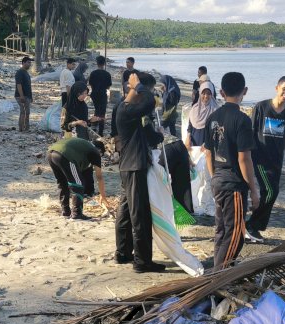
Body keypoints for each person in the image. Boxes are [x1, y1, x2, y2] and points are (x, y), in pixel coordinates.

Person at [204, 72, 258, 271]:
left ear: (221, 92)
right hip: (233, 183)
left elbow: (208, 153)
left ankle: (220, 273)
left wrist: (213, 177)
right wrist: (253, 189)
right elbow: (244, 159)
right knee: (235, 233)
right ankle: (220, 277)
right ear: (244, 91)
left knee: (222, 230)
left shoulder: (213, 117)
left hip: (218, 179)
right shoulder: (242, 120)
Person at [112, 71, 165, 273]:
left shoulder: (129, 110)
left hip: (130, 164)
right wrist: (138, 86)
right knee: (139, 215)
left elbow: (145, 135)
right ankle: (142, 262)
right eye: (146, 91)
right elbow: (150, 101)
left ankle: (123, 252)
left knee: (125, 210)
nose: (148, 94)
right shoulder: (125, 109)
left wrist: (157, 137)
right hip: (134, 166)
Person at [246, 76, 285, 242]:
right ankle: (252, 226)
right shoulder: (261, 107)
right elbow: (251, 133)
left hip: (277, 160)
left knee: (270, 193)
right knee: (271, 191)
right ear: (277, 88)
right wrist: (247, 157)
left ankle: (254, 226)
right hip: (260, 158)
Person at [47, 137, 108, 220]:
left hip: (51, 153)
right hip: (65, 155)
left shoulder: (83, 146)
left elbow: (84, 171)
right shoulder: (95, 152)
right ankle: (77, 214)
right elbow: (99, 177)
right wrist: (103, 196)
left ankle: (66, 211)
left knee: (63, 183)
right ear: (99, 151)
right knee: (78, 184)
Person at [162, 136, 193, 213]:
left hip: (163, 147)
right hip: (179, 145)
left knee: (156, 180)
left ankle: (164, 212)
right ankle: (184, 212)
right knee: (183, 183)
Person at [185, 80, 218, 148]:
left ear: (212, 94)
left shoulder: (215, 110)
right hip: (193, 143)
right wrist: (188, 137)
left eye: (209, 93)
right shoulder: (194, 108)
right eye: (203, 93)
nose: (206, 96)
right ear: (200, 94)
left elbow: (216, 131)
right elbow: (190, 126)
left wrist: (207, 143)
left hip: (207, 146)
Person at [88, 56, 113, 136]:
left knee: (97, 109)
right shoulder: (107, 74)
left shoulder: (93, 73)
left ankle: (94, 125)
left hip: (94, 94)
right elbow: (108, 87)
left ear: (97, 63)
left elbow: (91, 84)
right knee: (102, 112)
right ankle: (100, 131)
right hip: (102, 94)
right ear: (104, 63)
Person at [14, 56, 33, 132]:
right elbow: (19, 84)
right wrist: (21, 96)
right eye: (28, 62)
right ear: (23, 63)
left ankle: (26, 128)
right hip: (21, 96)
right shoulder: (20, 72)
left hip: (27, 96)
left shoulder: (26, 72)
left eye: (30, 62)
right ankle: (22, 128)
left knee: (26, 112)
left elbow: (28, 85)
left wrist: (30, 97)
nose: (30, 64)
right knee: (24, 112)